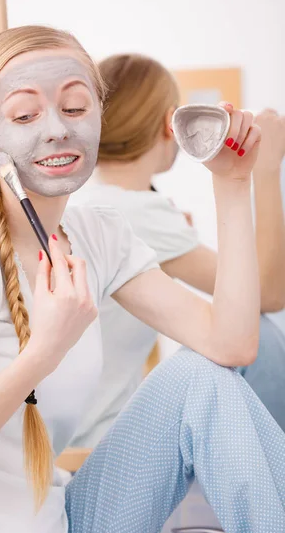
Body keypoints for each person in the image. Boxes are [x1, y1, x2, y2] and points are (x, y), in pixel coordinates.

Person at [0, 26, 285, 533]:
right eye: (25, 116)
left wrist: (234, 182)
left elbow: (231, 345)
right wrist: (44, 351)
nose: (57, 128)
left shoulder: (100, 235)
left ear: (100, 117)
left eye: (76, 106)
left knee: (201, 377)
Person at [70, 53, 285, 448]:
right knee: (264, 340)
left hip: (71, 433)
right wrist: (267, 168)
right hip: (98, 439)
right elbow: (271, 294)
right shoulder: (136, 212)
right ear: (171, 126)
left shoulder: (93, 203)